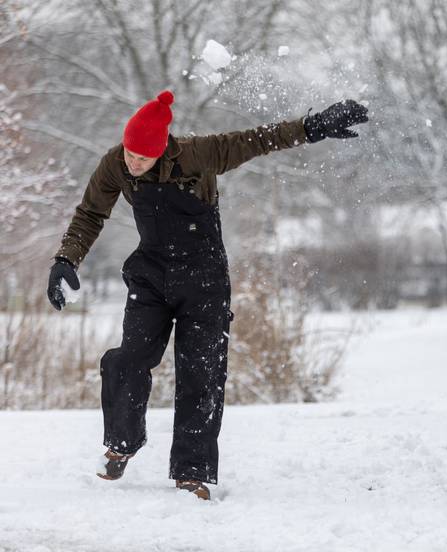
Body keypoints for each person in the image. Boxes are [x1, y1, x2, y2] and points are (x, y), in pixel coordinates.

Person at [46, 91, 368, 500]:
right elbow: (91, 213)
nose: (133, 163)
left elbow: (258, 140)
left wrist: (311, 127)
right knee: (128, 359)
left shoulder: (200, 154)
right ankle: (121, 444)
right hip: (151, 276)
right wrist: (66, 259)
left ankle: (191, 472)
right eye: (130, 154)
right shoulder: (115, 163)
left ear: (162, 148)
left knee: (202, 373)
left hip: (204, 280)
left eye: (142, 158)